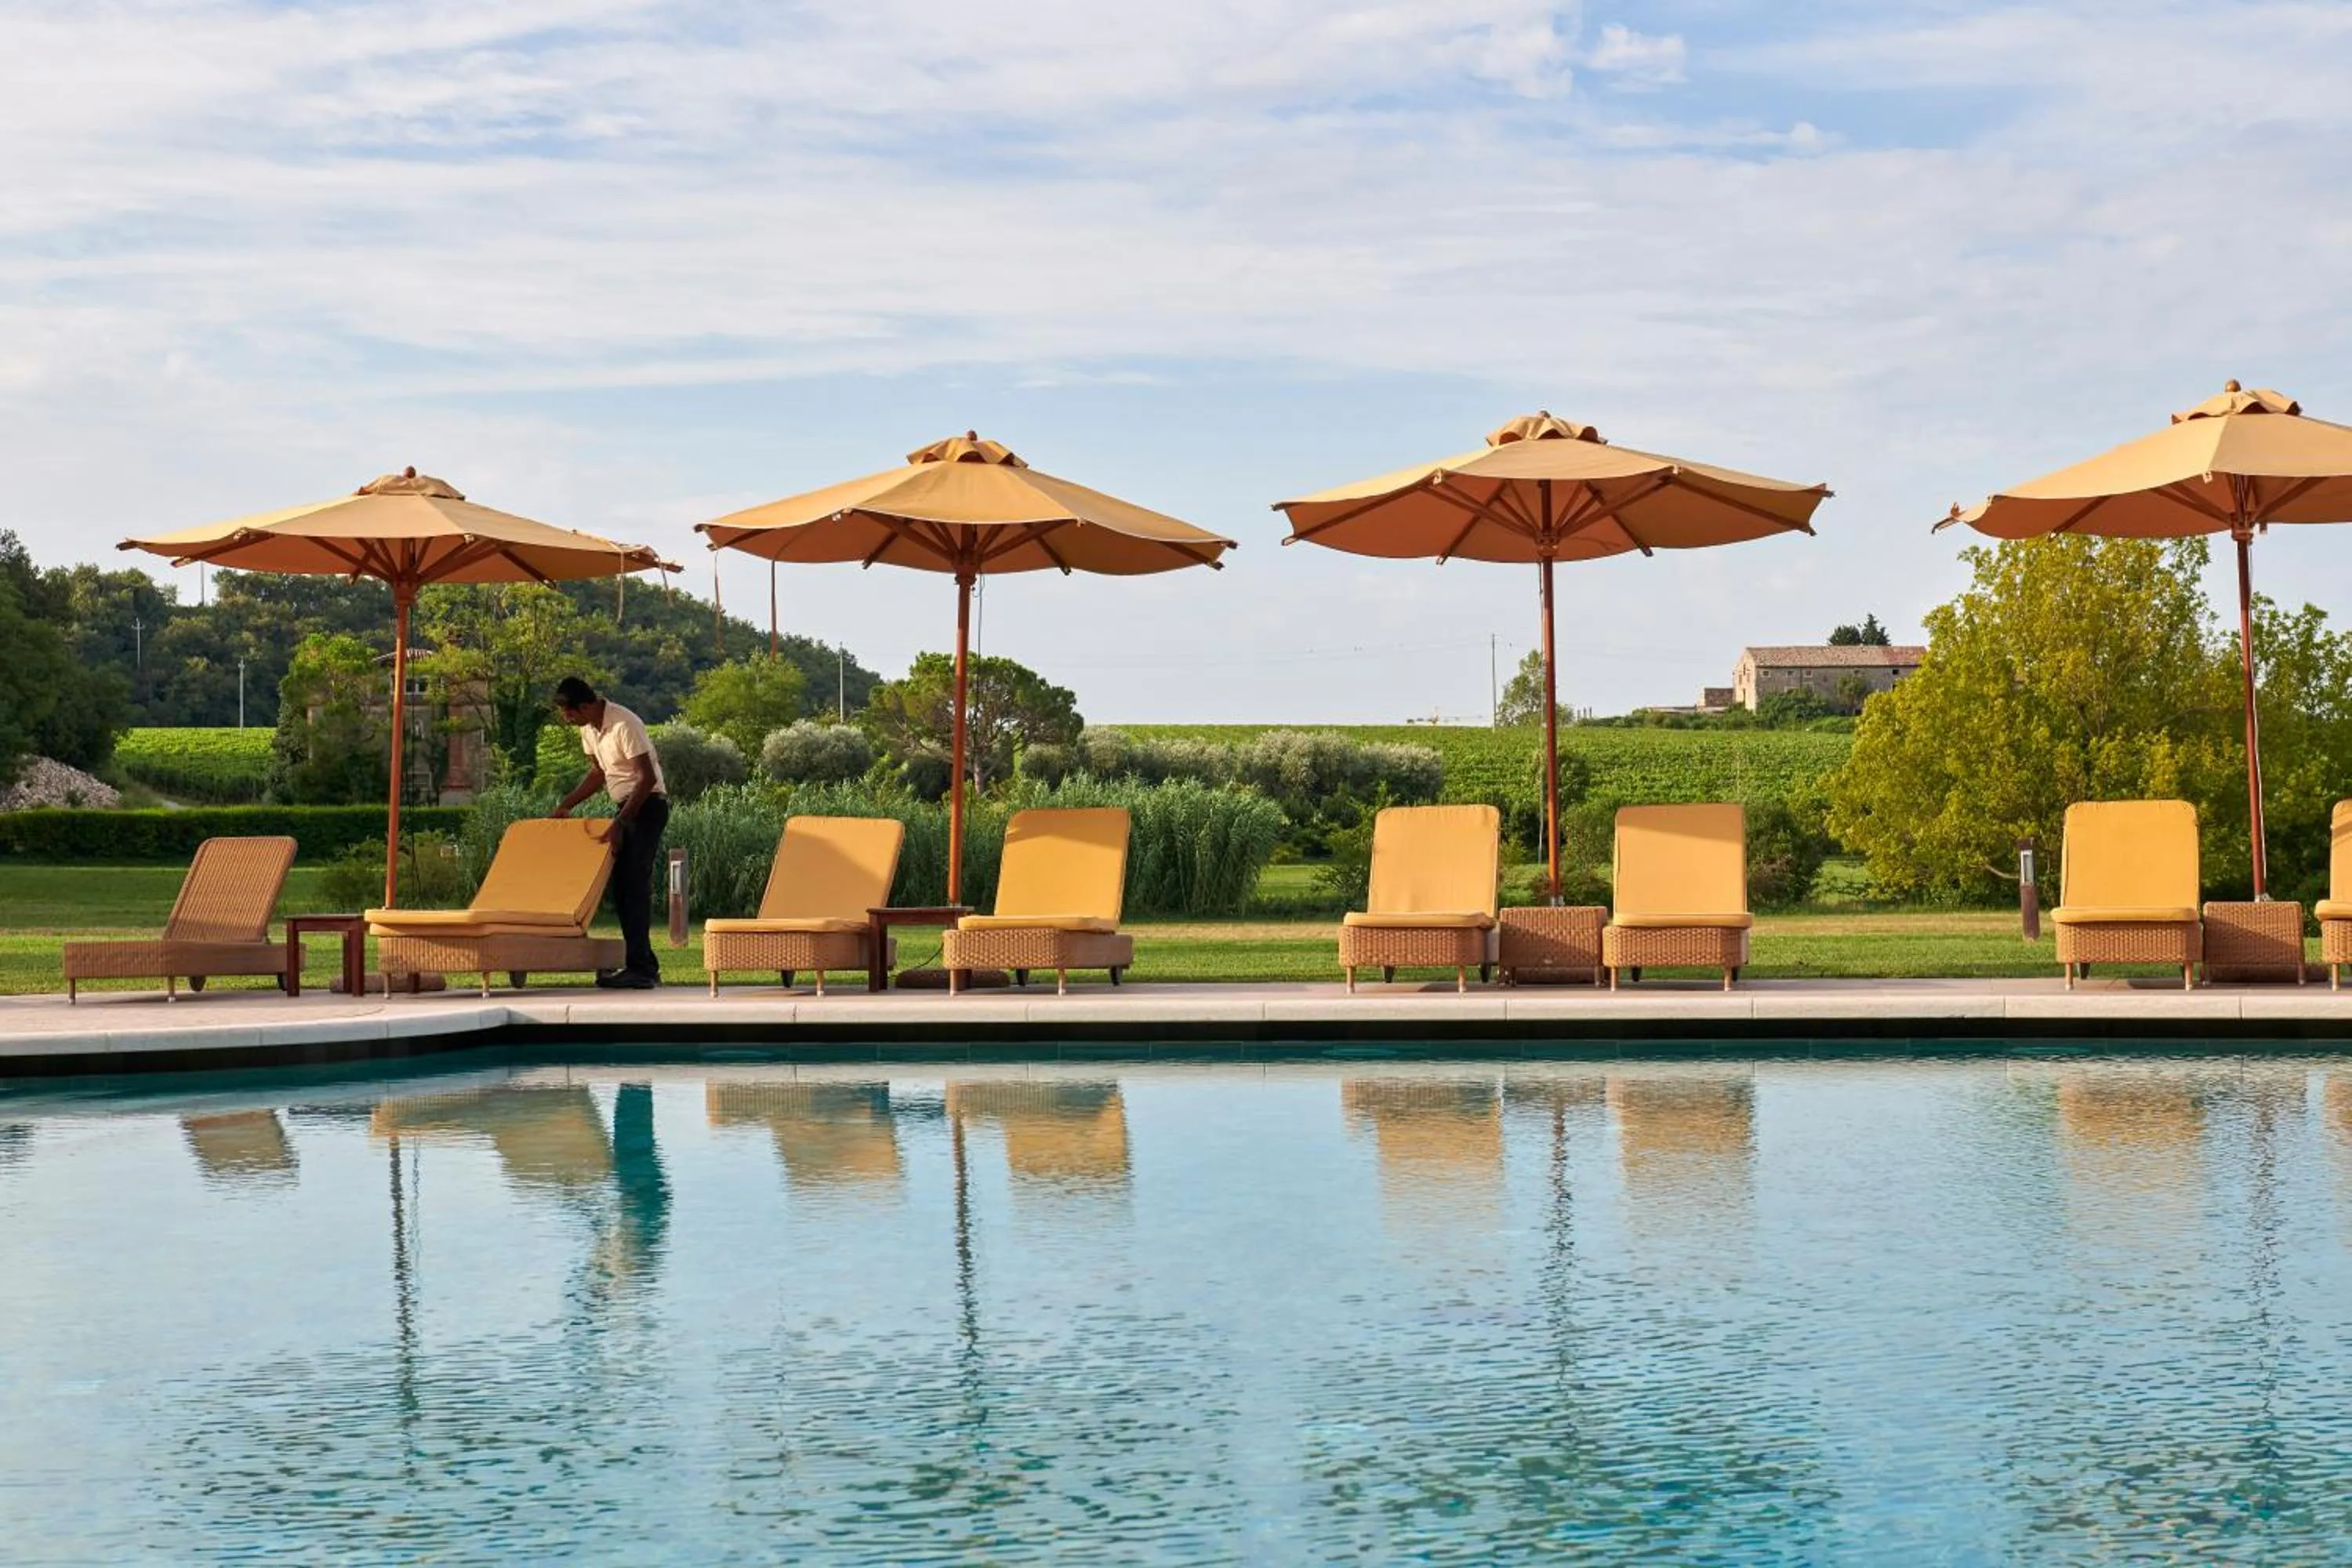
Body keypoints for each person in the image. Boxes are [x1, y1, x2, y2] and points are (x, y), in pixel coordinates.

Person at [551, 676, 669, 989]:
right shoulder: (589, 731)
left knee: (633, 885)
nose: (567, 719)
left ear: (587, 705)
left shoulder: (624, 723)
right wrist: (566, 805)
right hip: (626, 809)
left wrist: (621, 823)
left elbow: (645, 779)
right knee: (622, 889)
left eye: (570, 713)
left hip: (646, 806)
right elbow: (598, 773)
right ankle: (644, 965)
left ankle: (641, 969)